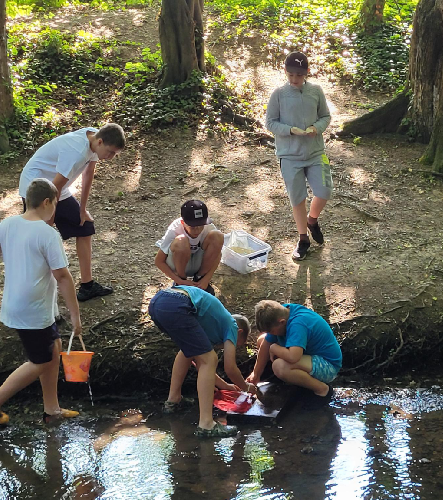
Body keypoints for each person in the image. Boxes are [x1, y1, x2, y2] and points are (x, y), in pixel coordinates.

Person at [0, 178, 83, 425]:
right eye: (56, 203)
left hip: (21, 306)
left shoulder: (7, 225)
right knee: (40, 361)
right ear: (47, 202)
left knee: (53, 351)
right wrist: (76, 316)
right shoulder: (48, 233)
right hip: (33, 311)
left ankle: (51, 409)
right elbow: (63, 276)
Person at [18, 123, 126, 301]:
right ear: (100, 142)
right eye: (111, 152)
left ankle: (87, 286)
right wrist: (49, 221)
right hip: (36, 186)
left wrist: (83, 209)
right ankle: (33, 292)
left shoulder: (93, 139)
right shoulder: (76, 151)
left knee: (85, 226)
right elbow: (55, 187)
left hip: (56, 186)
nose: (112, 157)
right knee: (40, 239)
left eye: (115, 154)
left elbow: (88, 173)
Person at [148, 285, 258, 438]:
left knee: (187, 352)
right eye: (235, 343)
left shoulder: (208, 325)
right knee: (210, 358)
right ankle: (206, 424)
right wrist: (245, 386)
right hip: (177, 303)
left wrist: (225, 386)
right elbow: (230, 368)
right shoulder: (231, 325)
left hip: (157, 303)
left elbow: (198, 362)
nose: (230, 346)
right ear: (239, 333)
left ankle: (173, 401)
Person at [266, 51, 332, 261]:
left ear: (306, 73)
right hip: (289, 155)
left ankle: (312, 220)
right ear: (285, 71)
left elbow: (325, 116)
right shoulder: (278, 94)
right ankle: (303, 238)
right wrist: (291, 130)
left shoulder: (316, 91)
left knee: (324, 191)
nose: (295, 79)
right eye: (291, 74)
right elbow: (270, 122)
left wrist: (316, 127)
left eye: (299, 75)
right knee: (298, 198)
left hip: (315, 152)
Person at [247, 300, 341, 398]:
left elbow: (293, 357)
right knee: (262, 340)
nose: (272, 334)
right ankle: (297, 378)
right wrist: (256, 373)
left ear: (282, 322)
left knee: (279, 366)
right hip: (308, 357)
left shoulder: (297, 325)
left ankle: (321, 389)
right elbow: (266, 344)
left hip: (328, 367)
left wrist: (274, 347)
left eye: (272, 331)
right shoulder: (282, 312)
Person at [154, 200, 224, 295]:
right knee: (181, 241)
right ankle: (181, 284)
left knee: (218, 236)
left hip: (199, 263)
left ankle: (199, 278)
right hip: (178, 264)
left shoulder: (208, 228)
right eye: (193, 227)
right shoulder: (174, 229)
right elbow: (159, 261)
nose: (197, 230)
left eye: (200, 225)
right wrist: (180, 280)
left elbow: (218, 255)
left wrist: (206, 279)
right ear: (183, 222)